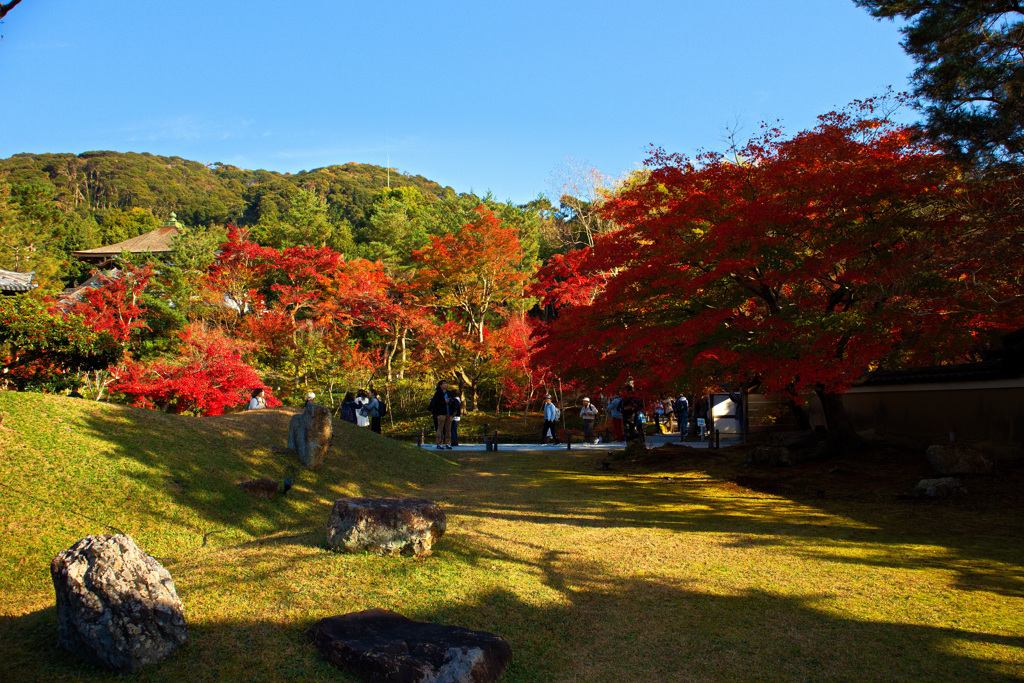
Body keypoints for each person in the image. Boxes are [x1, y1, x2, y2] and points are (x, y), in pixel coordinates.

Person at [429, 380, 453, 449]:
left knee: (448, 429)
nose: (445, 385)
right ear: (440, 385)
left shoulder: (448, 393)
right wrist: (444, 402)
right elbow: (435, 403)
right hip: (441, 413)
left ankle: (448, 442)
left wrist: (450, 401)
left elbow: (453, 401)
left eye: (446, 383)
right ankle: (438, 442)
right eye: (444, 384)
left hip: (448, 413)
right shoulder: (438, 393)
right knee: (440, 428)